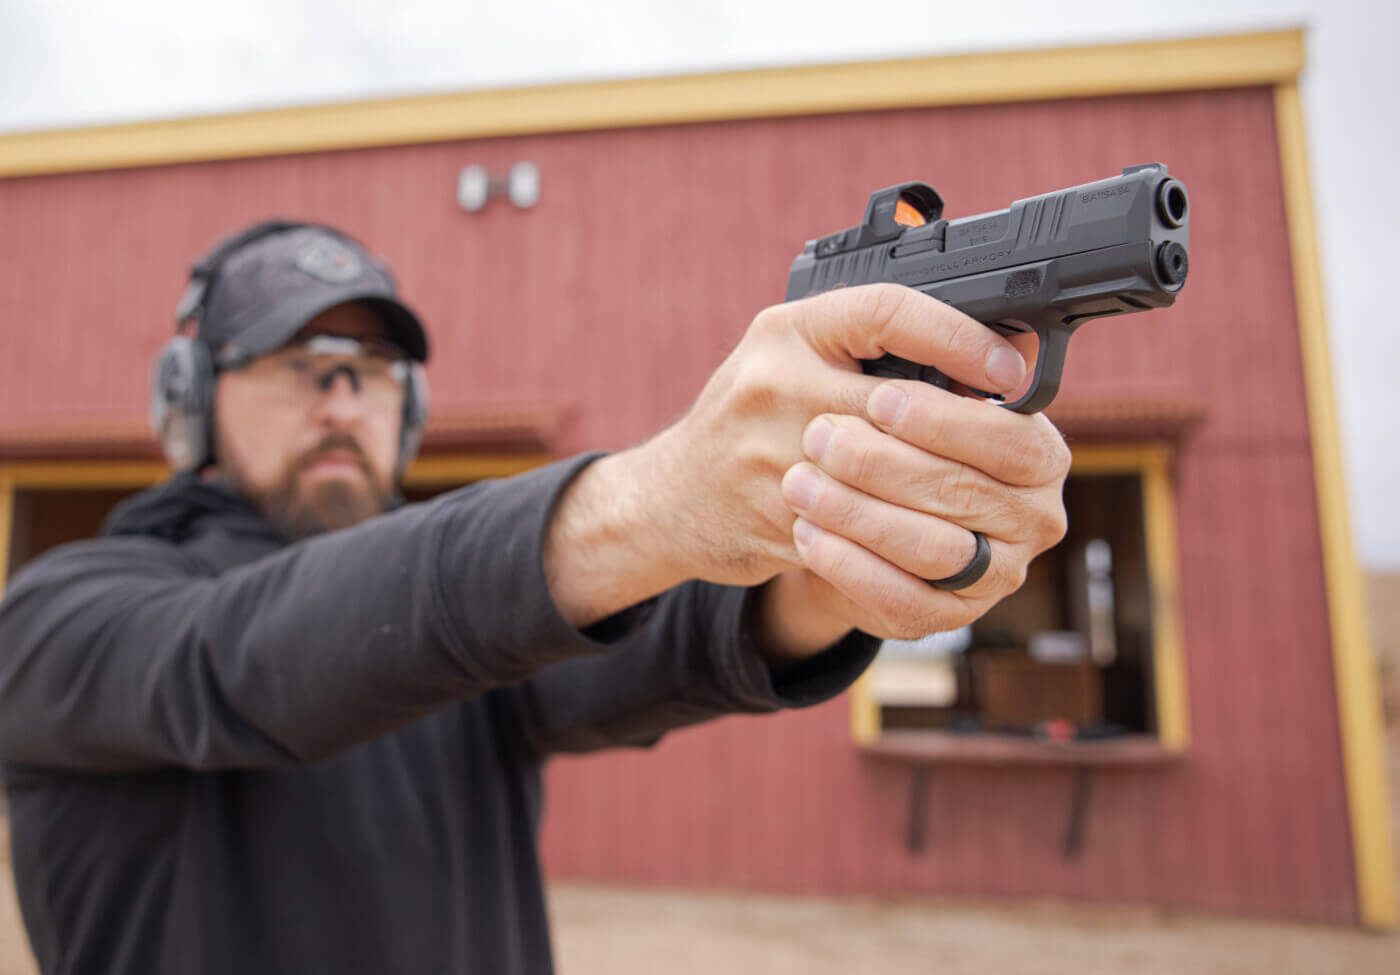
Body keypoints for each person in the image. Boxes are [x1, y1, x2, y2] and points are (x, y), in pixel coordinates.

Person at [0, 221, 1069, 974]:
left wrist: (841, 537)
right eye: (296, 361)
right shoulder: (60, 620)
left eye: (369, 367)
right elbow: (242, 660)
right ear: (188, 401)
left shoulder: (460, 644)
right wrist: (652, 500)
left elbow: (676, 639)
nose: (340, 398)